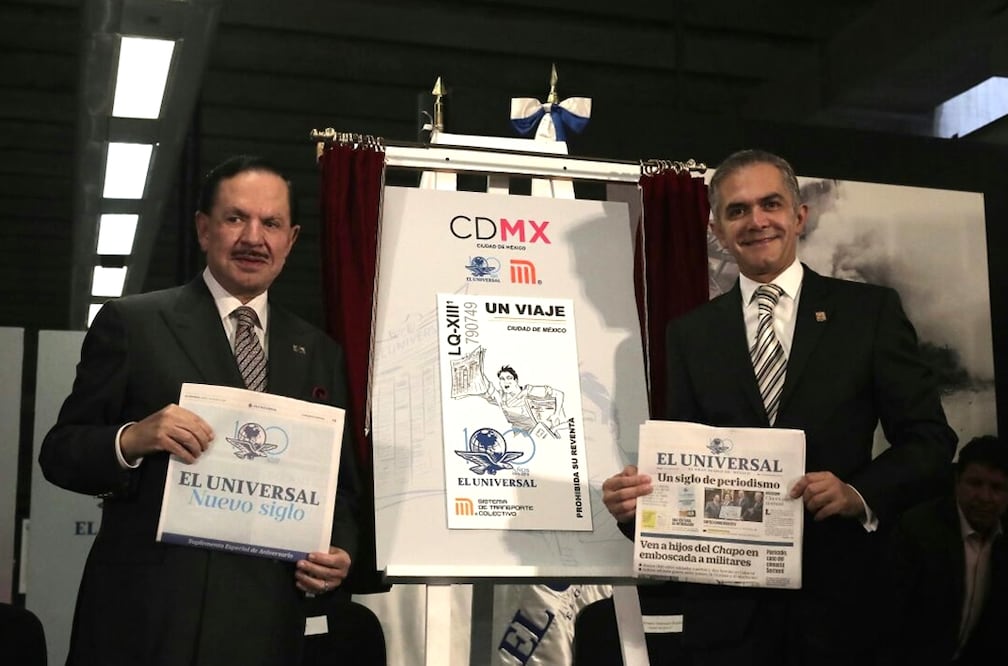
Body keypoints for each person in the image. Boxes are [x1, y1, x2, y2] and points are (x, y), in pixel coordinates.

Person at [602, 149, 957, 665]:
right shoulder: (690, 335)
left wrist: (858, 493)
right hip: (728, 621)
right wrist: (635, 510)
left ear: (799, 215)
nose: (756, 221)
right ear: (718, 230)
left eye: (770, 204)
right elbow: (684, 470)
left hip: (843, 609)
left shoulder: (869, 314)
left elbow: (930, 441)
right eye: (737, 210)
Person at [39, 155, 360, 666]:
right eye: (236, 218)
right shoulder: (135, 323)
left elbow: (338, 486)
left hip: (267, 623)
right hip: (149, 619)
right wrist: (131, 439)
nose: (254, 238)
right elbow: (59, 453)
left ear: (291, 240)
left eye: (271, 223)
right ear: (203, 229)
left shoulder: (319, 351)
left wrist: (339, 553)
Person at [882, 435, 1008, 665]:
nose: (985, 497)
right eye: (975, 483)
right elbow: (888, 618)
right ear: (957, 481)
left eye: (997, 487)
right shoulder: (917, 531)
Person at [480, 365, 567, 438]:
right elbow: (487, 388)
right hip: (522, 438)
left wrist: (557, 414)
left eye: (509, 378)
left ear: (516, 381)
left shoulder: (528, 391)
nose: (505, 382)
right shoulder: (501, 397)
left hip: (543, 434)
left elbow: (559, 394)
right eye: (502, 379)